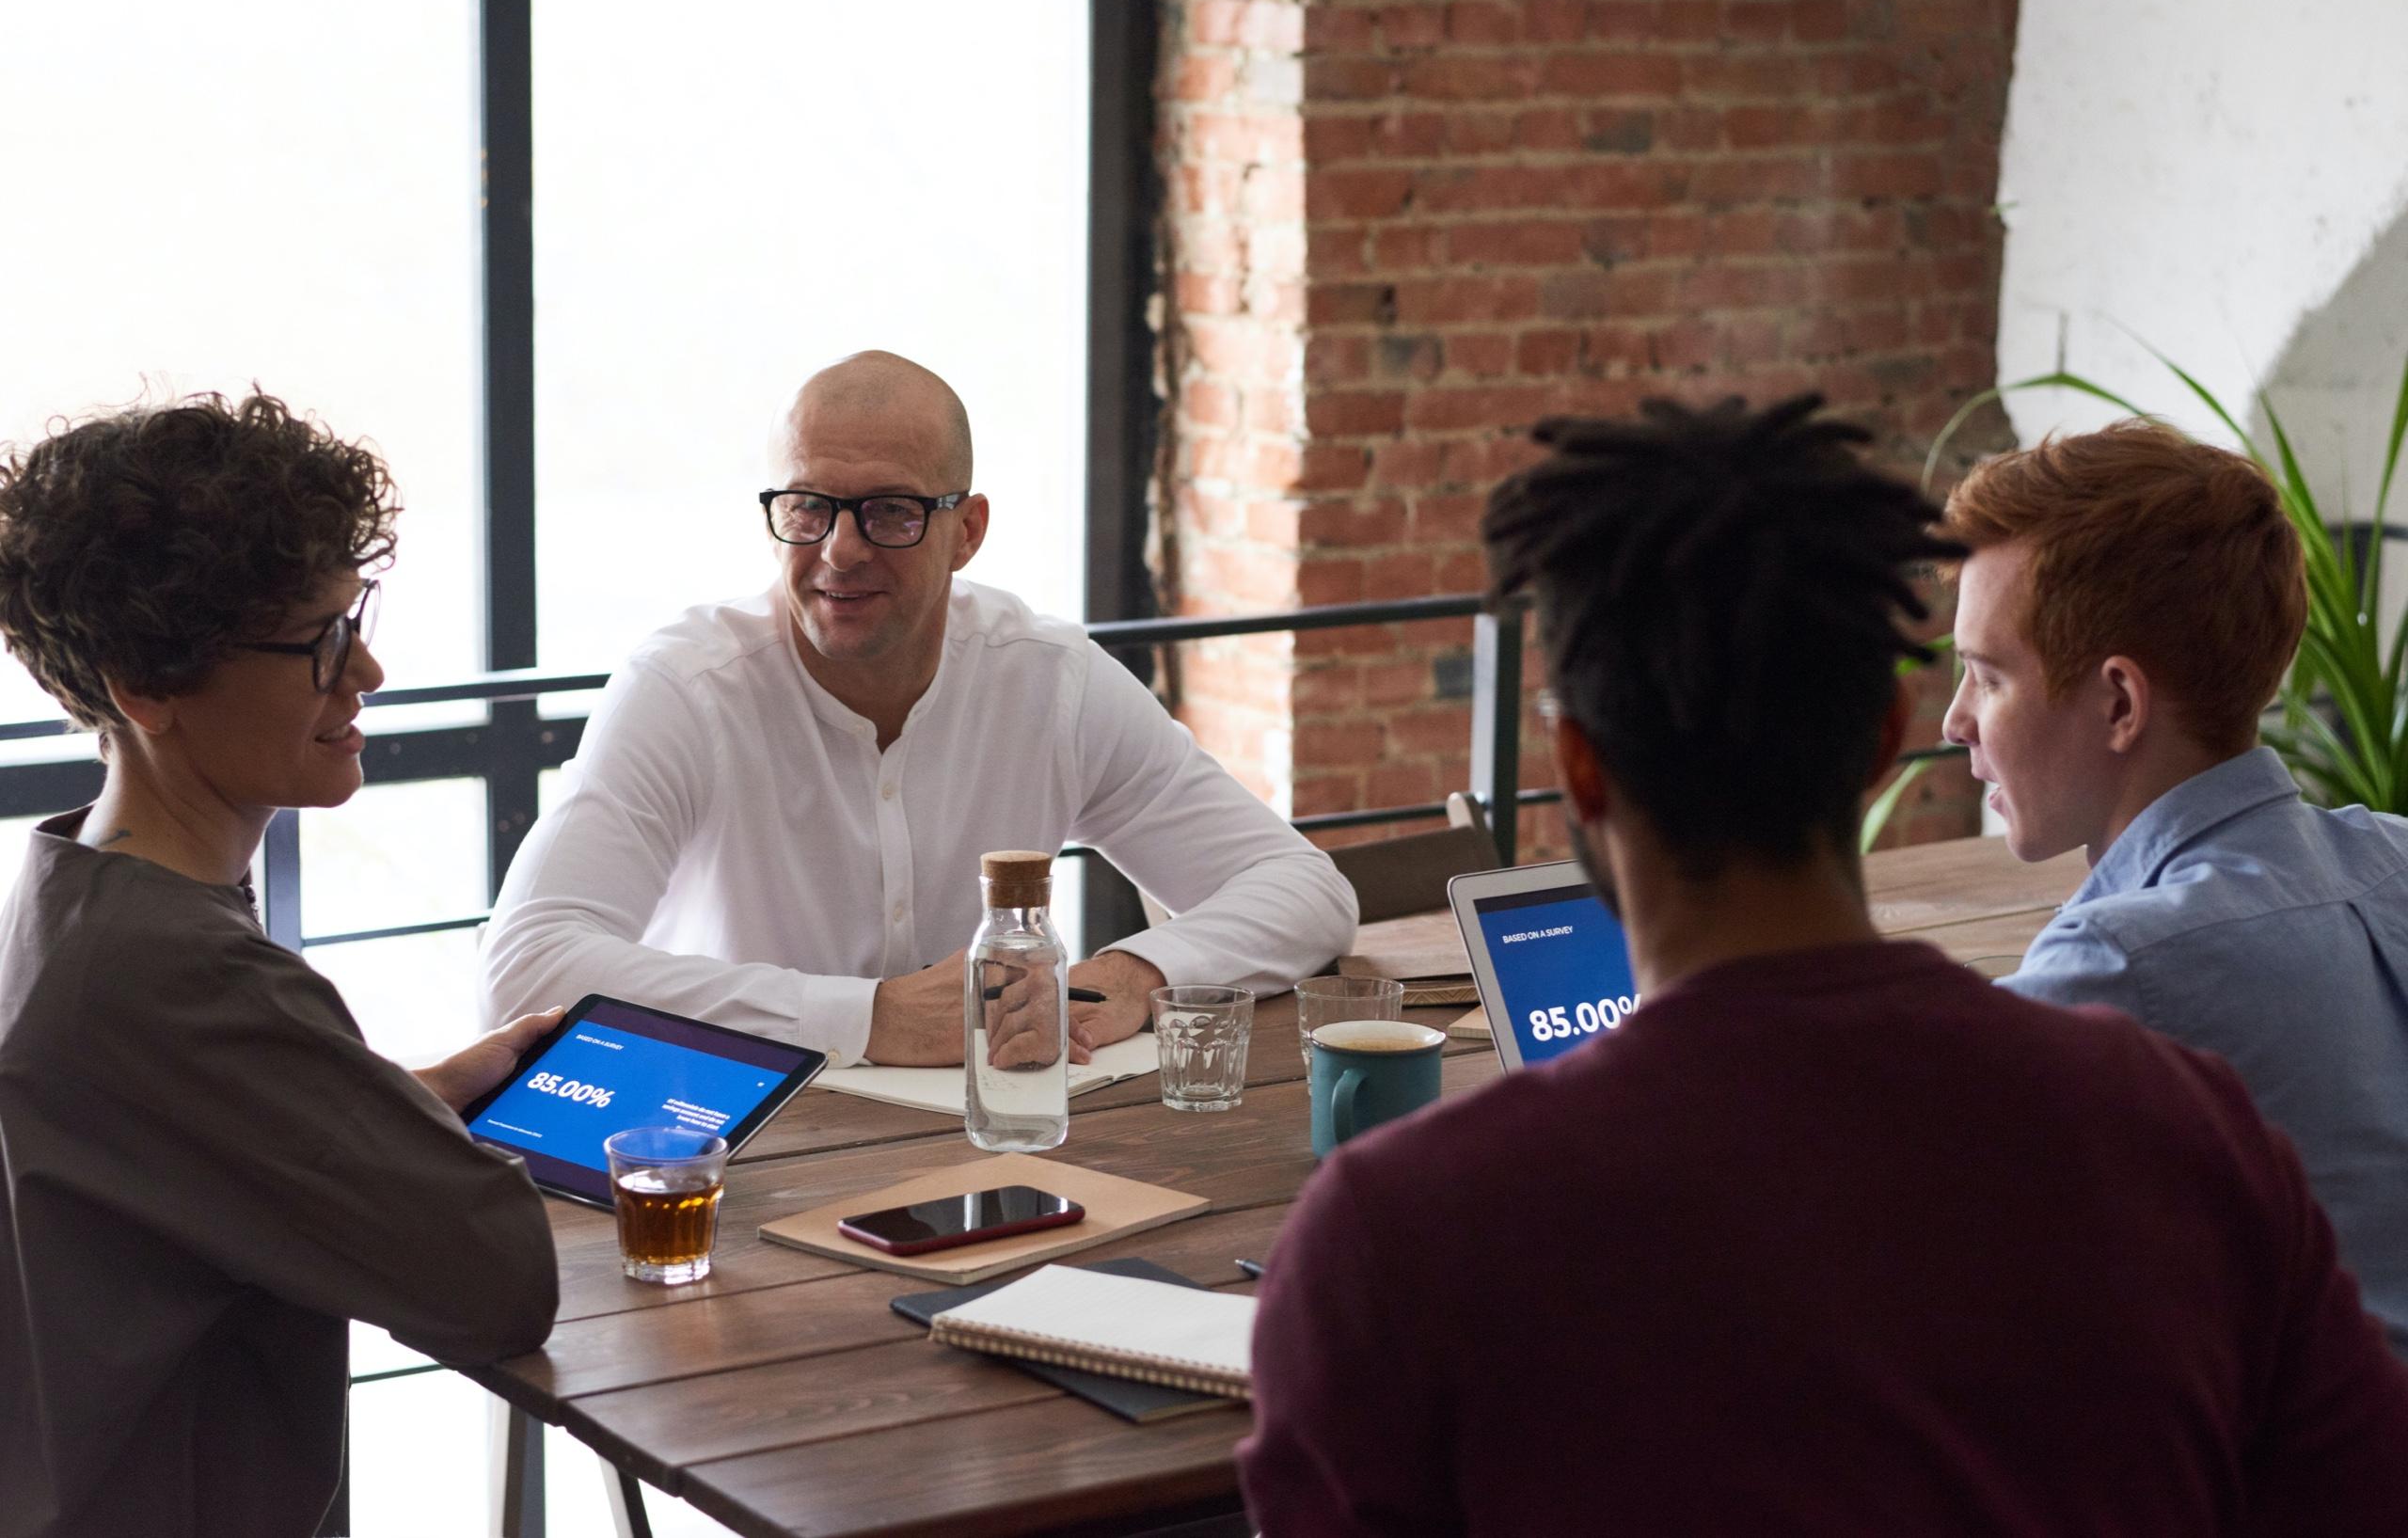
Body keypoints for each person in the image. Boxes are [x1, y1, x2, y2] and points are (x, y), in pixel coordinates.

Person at [1239, 396, 2408, 1535]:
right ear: (1874, 744)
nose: (1960, 716)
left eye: (1984, 674)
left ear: (1578, 770)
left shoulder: (1389, 1238)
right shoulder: (2188, 1120)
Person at [0, 394, 560, 1538]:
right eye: (317, 641)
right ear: (141, 687)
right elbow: (500, 1279)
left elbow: (169, 1161)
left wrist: (379, 1105)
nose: (368, 669)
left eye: (353, 617)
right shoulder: (178, 976)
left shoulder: (68, 894)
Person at [480, 351, 1355, 1066]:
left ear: (967, 530)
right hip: (733, 1143)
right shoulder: (685, 689)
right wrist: (866, 1018)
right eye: (808, 508)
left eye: (891, 512)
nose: (839, 550)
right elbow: (525, 968)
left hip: (988, 1139)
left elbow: (1308, 892)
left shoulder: (1048, 678)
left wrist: (1130, 975)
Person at [1940, 419, 2408, 1357]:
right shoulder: (2394, 858)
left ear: (2118, 703)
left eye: (1986, 678)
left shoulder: (2113, 969)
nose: (1955, 723)